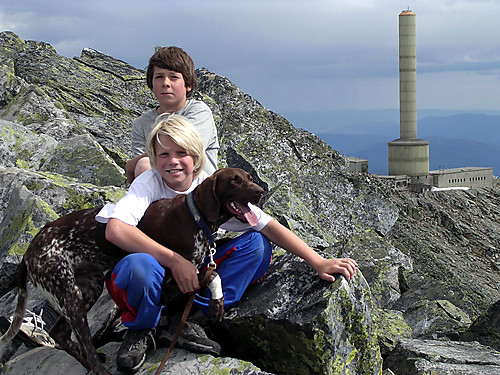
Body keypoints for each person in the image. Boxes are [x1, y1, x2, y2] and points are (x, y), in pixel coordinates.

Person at [96, 114, 358, 373]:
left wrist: (318, 261)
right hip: (155, 274)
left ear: (197, 157)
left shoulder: (211, 187)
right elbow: (116, 230)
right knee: (139, 264)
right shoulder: (149, 183)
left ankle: (189, 319)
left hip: (191, 276)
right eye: (163, 154)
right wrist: (175, 262)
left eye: (181, 153)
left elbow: (268, 226)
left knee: (256, 245)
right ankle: (143, 327)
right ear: (153, 158)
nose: (173, 161)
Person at [126, 46, 219, 183]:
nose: (165, 83)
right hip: (161, 192)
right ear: (151, 84)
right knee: (144, 165)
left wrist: (134, 164)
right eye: (159, 77)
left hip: (198, 192)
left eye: (174, 77)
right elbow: (139, 165)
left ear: (188, 85)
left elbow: (185, 150)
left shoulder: (199, 112)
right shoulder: (141, 124)